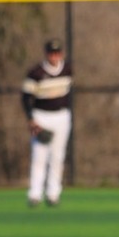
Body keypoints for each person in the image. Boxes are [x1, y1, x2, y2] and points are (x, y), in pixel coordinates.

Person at [23, 38, 72, 208]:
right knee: (39, 156)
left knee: (57, 157)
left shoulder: (67, 69)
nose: (54, 56)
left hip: (61, 116)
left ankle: (53, 194)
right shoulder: (35, 73)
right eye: (51, 53)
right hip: (41, 116)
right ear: (46, 54)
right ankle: (35, 194)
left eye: (57, 53)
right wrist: (31, 119)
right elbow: (26, 97)